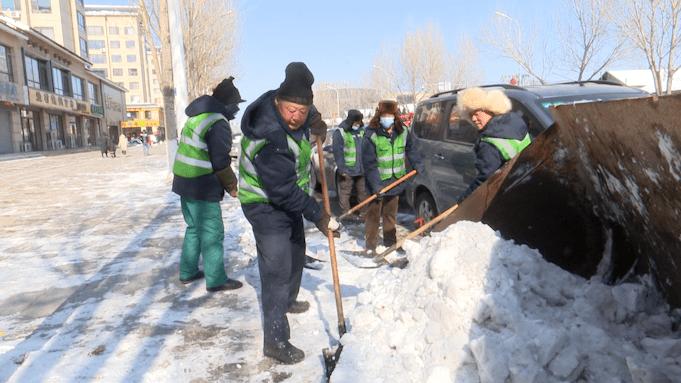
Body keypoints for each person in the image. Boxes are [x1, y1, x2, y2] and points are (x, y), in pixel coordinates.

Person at [239, 62, 339, 365]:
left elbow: (309, 111)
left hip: (288, 199)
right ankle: (275, 340)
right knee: (277, 268)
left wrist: (317, 122)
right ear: (276, 103)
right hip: (263, 202)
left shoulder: (299, 113)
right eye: (289, 111)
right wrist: (319, 215)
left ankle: (289, 298)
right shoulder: (270, 135)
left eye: (302, 111)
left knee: (297, 250)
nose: (295, 117)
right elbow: (281, 190)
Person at [172, 76, 246, 292]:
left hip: (183, 182)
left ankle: (188, 272)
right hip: (201, 184)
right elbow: (221, 161)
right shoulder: (218, 122)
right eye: (235, 105)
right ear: (226, 104)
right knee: (212, 233)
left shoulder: (197, 117)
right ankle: (216, 280)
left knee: (194, 228)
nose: (236, 109)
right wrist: (232, 187)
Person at [362, 100, 423, 256]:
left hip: (395, 181)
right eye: (384, 115)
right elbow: (369, 163)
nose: (387, 118)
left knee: (390, 215)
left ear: (395, 116)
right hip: (377, 182)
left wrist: (417, 164)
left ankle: (390, 243)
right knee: (373, 216)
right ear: (379, 115)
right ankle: (370, 245)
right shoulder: (371, 134)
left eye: (390, 115)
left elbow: (411, 150)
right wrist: (376, 185)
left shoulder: (403, 132)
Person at [455, 87, 531, 202]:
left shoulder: (489, 143)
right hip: (529, 180)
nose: (474, 119)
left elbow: (485, 180)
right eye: (470, 116)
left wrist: (463, 199)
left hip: (510, 195)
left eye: (476, 113)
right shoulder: (515, 122)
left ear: (489, 109)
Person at [332, 109, 368, 221]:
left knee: (363, 192)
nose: (357, 124)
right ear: (350, 121)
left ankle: (364, 213)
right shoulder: (341, 132)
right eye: (355, 122)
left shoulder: (362, 131)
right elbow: (338, 152)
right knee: (345, 193)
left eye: (359, 122)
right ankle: (347, 214)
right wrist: (342, 169)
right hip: (347, 169)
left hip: (361, 169)